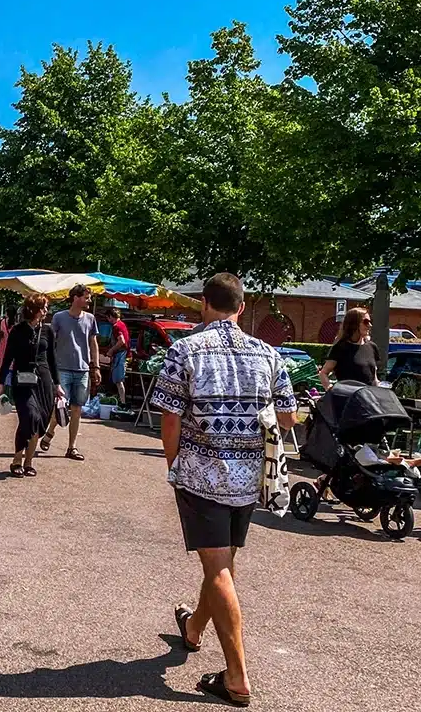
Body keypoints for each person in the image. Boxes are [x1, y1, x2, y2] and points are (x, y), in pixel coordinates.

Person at [151, 273, 297, 708]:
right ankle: (194, 627)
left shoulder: (185, 350)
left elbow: (169, 416)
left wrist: (174, 463)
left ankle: (237, 676)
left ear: (204, 303)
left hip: (203, 473)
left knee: (217, 567)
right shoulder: (268, 353)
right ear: (242, 306)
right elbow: (288, 418)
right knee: (223, 562)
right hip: (249, 477)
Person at [0, 294, 62, 478]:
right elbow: (8, 358)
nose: (46, 311)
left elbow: (52, 360)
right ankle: (17, 459)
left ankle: (28, 462)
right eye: (44, 307)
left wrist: (57, 384)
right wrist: (0, 384)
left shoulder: (48, 331)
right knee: (29, 417)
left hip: (44, 382)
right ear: (34, 309)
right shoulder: (17, 330)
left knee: (39, 421)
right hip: (23, 380)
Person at [41, 285, 101, 461]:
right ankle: (50, 431)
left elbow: (93, 343)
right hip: (62, 368)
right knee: (60, 406)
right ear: (76, 298)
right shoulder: (59, 317)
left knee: (77, 409)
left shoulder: (90, 319)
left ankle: (72, 447)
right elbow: (50, 341)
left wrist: (96, 366)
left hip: (82, 369)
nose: (89, 301)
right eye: (86, 297)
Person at [319, 307, 379, 389]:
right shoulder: (340, 347)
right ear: (354, 324)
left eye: (370, 322)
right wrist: (330, 389)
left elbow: (374, 378)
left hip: (368, 395)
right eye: (366, 322)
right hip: (348, 395)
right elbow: (323, 373)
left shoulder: (372, 347)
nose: (370, 325)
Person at [105, 307, 130, 408]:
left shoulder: (117, 326)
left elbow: (121, 341)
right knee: (117, 380)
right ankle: (121, 400)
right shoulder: (122, 324)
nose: (108, 320)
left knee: (119, 381)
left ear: (111, 317)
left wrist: (111, 351)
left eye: (108, 318)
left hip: (121, 355)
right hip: (122, 355)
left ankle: (123, 403)